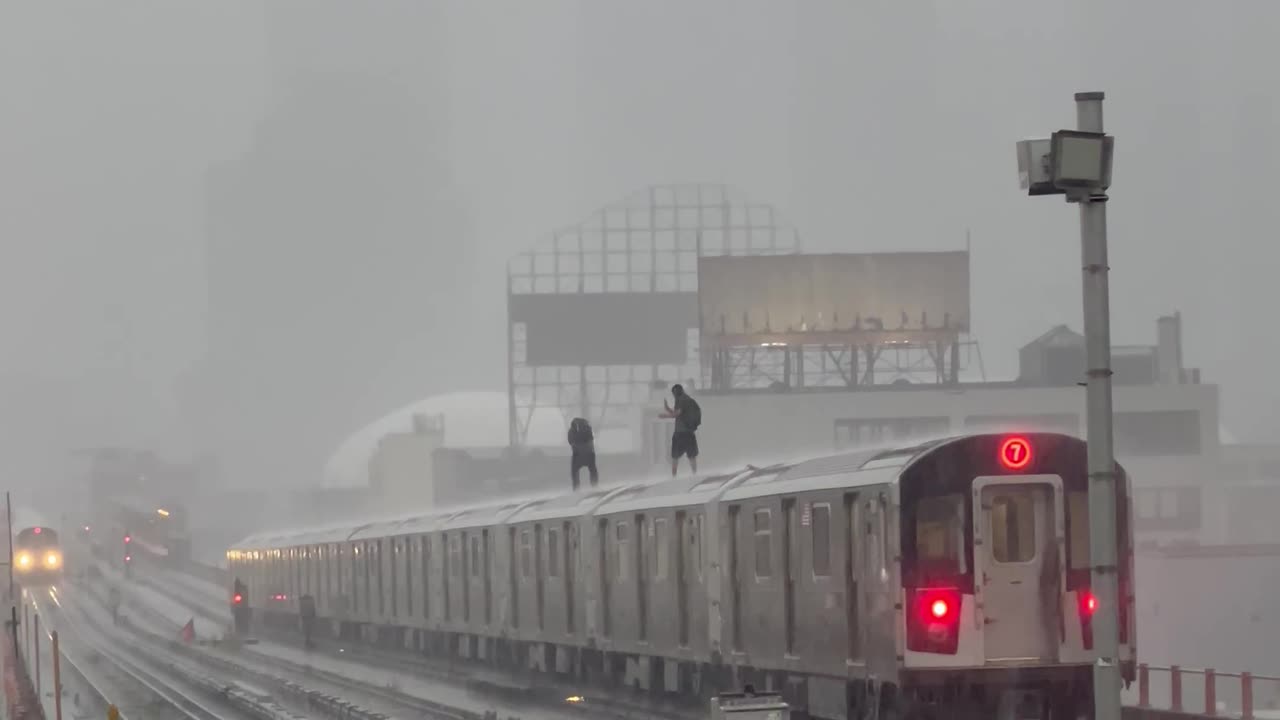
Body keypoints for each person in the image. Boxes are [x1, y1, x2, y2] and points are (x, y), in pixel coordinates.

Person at [660, 384, 701, 476]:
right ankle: (694, 474)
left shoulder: (681, 400)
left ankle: (674, 476)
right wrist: (668, 409)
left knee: (675, 456)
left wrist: (664, 416)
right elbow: (679, 414)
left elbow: (677, 414)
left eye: (673, 393)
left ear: (675, 392)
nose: (673, 395)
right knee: (691, 456)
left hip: (680, 433)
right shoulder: (687, 400)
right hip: (689, 433)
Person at [567, 417, 599, 490]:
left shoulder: (571, 430)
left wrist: (576, 446)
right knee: (593, 470)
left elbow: (570, 441)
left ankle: (576, 489)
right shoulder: (588, 428)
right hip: (589, 453)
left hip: (577, 454)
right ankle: (594, 486)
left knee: (574, 472)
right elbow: (591, 440)